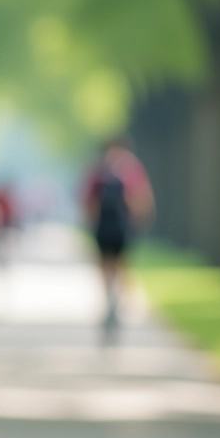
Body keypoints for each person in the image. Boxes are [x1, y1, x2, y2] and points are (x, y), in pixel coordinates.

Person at [80, 136, 153, 342]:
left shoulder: (98, 170)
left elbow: (88, 201)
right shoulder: (131, 169)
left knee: (105, 264)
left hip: (103, 226)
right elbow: (141, 198)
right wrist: (139, 221)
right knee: (121, 265)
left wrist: (90, 222)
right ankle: (117, 302)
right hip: (122, 227)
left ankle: (109, 301)